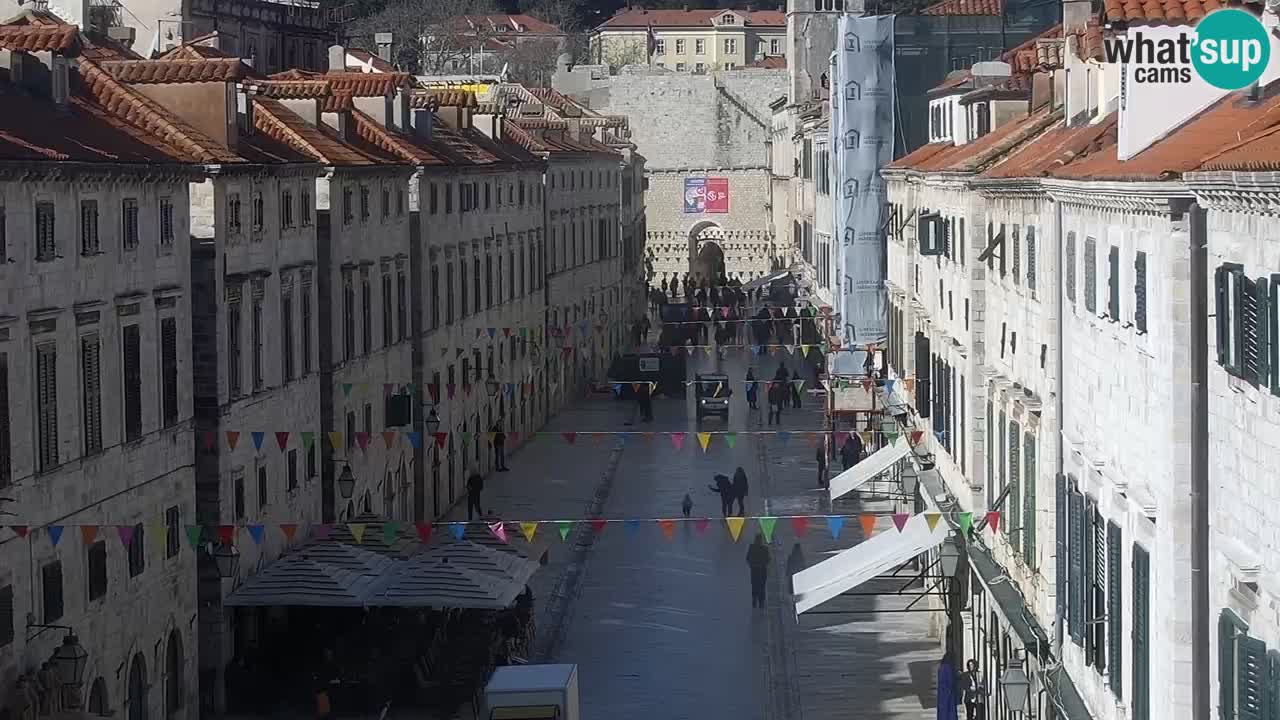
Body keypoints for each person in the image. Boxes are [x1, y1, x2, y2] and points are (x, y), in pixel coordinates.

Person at [746, 533, 771, 609]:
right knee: (762, 586)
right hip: (762, 570)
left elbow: (747, 558)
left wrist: (752, 564)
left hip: (754, 569)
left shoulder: (752, 547)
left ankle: (754, 600)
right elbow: (768, 559)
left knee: (754, 585)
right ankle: (761, 602)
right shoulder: (765, 548)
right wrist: (764, 564)